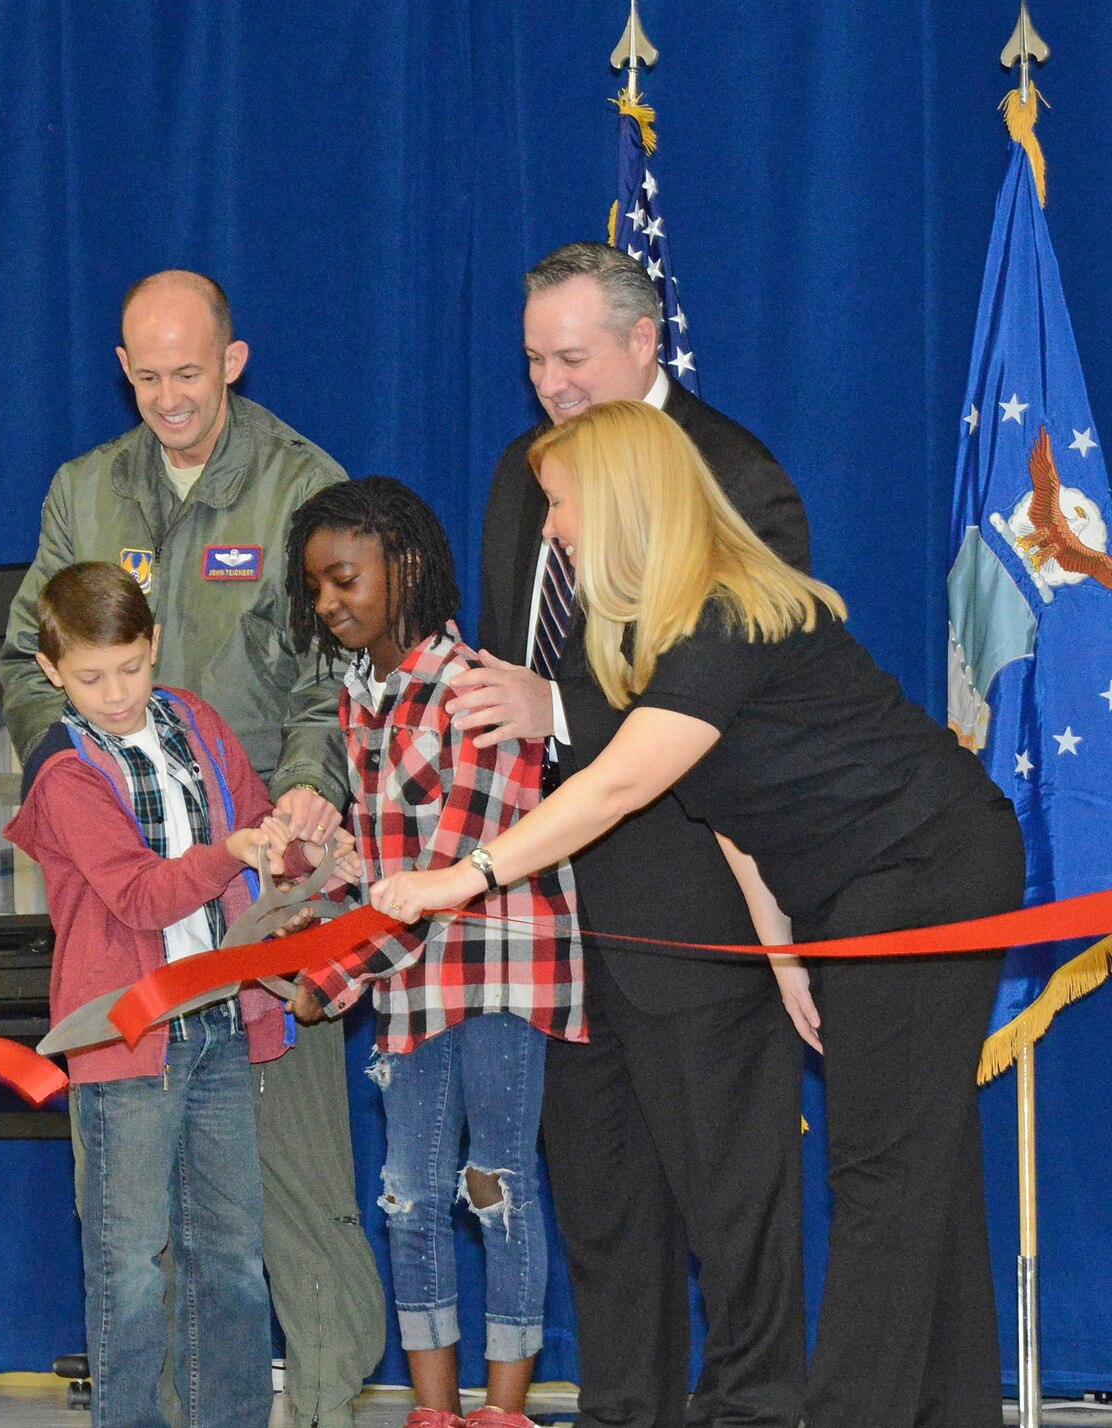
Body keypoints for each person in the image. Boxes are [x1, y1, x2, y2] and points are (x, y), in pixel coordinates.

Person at [375, 400, 1024, 1428]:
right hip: (854, 888)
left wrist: (457, 879)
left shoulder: (724, 613)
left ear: (621, 501)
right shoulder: (666, 629)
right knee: (919, 1162)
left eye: (559, 505)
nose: (548, 530)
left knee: (877, 1172)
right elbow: (722, 800)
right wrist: (778, 947)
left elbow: (618, 786)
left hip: (922, 869)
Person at [0, 270, 384, 1428]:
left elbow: (339, 668)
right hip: (127, 917)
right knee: (127, 1215)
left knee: (292, 1190)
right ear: (122, 369)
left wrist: (309, 798)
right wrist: (77, 779)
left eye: (188, 372)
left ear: (232, 359)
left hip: (265, 888)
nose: (168, 397)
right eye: (146, 375)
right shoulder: (83, 489)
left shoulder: (302, 482)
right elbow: (27, 658)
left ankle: (318, 1403)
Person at [447, 243, 812, 1428]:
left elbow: (724, 697)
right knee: (602, 1205)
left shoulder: (731, 475)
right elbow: (515, 660)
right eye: (532, 362)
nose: (549, 384)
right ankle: (623, 1410)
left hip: (695, 901)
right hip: (555, 913)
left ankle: (754, 1410)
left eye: (571, 357)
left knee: (730, 1200)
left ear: (643, 342)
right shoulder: (521, 472)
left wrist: (550, 711)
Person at [284, 480, 584, 1428]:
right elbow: (383, 867)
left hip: (496, 968)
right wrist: (306, 905)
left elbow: (453, 868)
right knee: (409, 1195)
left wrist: (328, 979)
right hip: (408, 977)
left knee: (495, 1187)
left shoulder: (470, 687)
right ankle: (432, 1411)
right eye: (317, 588)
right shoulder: (359, 697)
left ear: (404, 566)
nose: (331, 603)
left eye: (346, 579)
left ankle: (502, 1410)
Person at [5, 561, 332, 1428]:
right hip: (127, 1035)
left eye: (131, 667)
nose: (115, 693)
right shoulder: (65, 772)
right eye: (89, 677)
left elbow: (265, 827)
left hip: (222, 1022)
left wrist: (305, 851)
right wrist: (236, 847)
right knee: (130, 1262)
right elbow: (141, 894)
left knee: (229, 1253)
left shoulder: (197, 719)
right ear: (50, 671)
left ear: (154, 646)